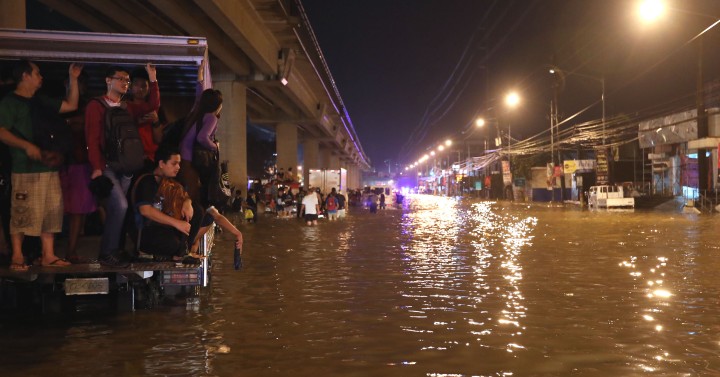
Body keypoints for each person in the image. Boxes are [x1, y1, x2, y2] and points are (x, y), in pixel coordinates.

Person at [0, 60, 83, 270]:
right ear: (25, 76)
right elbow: (2, 131)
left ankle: (48, 254)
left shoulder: (40, 101)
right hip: (25, 168)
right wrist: (26, 146)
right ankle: (17, 256)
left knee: (51, 213)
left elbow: (71, 105)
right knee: (22, 212)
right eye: (37, 73)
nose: (41, 77)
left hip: (48, 166)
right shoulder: (10, 102)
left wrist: (73, 79)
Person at [85, 63, 157, 267]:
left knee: (119, 209)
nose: (126, 83)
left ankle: (113, 250)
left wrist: (153, 79)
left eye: (127, 80)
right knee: (120, 205)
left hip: (126, 166)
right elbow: (92, 138)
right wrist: (96, 167)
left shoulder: (127, 106)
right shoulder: (96, 105)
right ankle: (108, 252)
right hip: (107, 165)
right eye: (121, 79)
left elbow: (152, 105)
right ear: (108, 80)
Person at [60, 72, 96, 264]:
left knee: (78, 210)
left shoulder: (86, 106)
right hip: (61, 161)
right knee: (66, 209)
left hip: (79, 161)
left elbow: (84, 126)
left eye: (78, 83)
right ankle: (60, 250)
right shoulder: (60, 103)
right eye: (69, 82)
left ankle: (71, 250)